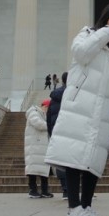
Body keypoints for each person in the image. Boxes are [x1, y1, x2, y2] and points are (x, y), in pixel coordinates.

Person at [45, 1, 109, 216]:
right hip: (80, 108)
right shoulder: (87, 35)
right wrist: (106, 32)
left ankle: (86, 207)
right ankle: (73, 208)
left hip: (103, 114)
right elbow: (81, 53)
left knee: (94, 162)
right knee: (74, 158)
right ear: (106, 18)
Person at [24, 99, 53, 198]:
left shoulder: (43, 115)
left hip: (40, 147)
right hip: (34, 147)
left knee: (44, 170)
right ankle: (32, 191)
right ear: (45, 106)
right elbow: (39, 125)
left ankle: (44, 191)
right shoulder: (34, 112)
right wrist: (51, 125)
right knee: (33, 170)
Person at [47, 71, 69, 199]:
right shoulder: (75, 94)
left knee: (61, 161)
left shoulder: (54, 97)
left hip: (58, 133)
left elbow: (48, 117)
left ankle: (65, 190)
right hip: (72, 133)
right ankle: (74, 190)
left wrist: (51, 134)